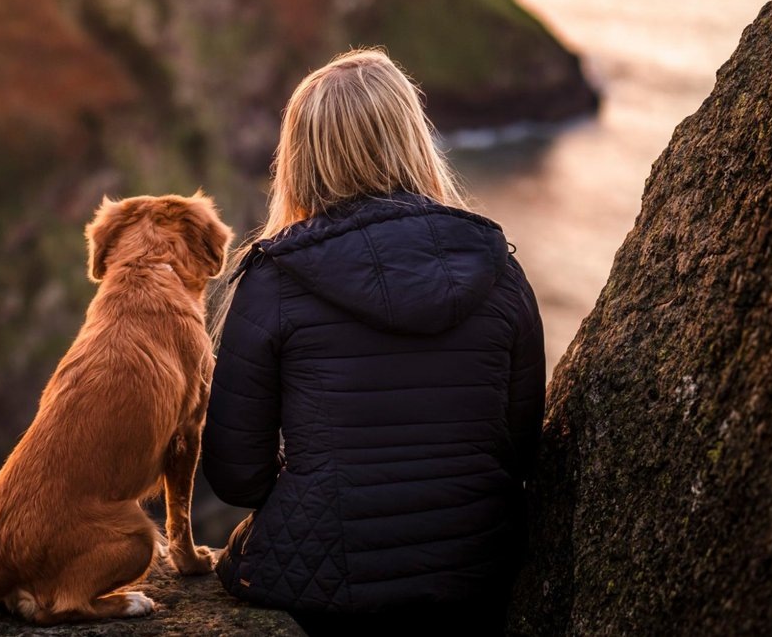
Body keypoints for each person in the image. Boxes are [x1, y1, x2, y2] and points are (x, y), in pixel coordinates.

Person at [201, 49, 546, 637]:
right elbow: (516, 450)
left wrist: (323, 476)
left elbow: (237, 478)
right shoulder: (497, 267)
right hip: (475, 575)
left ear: (301, 157)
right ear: (413, 137)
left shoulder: (275, 277)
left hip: (326, 592)